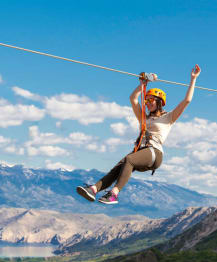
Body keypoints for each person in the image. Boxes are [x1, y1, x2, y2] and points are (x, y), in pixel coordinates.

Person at [76, 64, 201, 204]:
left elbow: (187, 101)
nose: (147, 103)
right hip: (142, 151)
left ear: (159, 102)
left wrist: (193, 79)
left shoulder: (169, 118)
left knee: (129, 160)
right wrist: (143, 84)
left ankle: (113, 194)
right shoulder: (144, 118)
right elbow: (133, 99)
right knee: (118, 167)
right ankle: (93, 189)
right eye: (146, 101)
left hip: (154, 152)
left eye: (150, 100)